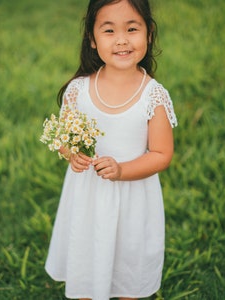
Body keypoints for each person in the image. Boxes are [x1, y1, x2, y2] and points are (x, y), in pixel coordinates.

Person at [45, 0, 177, 299]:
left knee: (128, 264)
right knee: (86, 255)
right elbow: (65, 138)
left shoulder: (153, 96)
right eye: (108, 30)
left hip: (132, 198)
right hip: (87, 197)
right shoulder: (78, 90)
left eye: (132, 29)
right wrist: (71, 154)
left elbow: (161, 154)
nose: (121, 39)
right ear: (92, 38)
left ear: (150, 33)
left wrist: (122, 170)